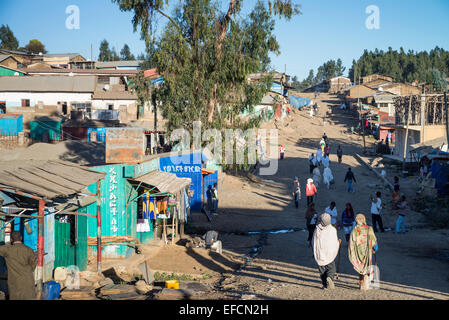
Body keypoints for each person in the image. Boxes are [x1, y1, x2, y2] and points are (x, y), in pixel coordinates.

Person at [0, 231, 37, 300]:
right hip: (28, 280)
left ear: (11, 239)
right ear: (21, 238)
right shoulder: (29, 250)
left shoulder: (7, 249)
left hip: (14, 281)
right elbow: (33, 265)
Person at [348, 214, 378, 290]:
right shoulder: (369, 229)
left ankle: (361, 284)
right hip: (367, 252)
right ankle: (366, 284)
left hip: (357, 253)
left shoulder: (354, 230)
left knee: (360, 268)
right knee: (367, 266)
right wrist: (375, 248)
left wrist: (352, 252)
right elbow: (374, 240)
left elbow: (351, 243)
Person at [312, 213, 340, 290]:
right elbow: (334, 242)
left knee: (321, 270)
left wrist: (314, 251)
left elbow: (313, 241)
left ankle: (325, 285)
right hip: (329, 253)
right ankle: (330, 278)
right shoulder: (332, 230)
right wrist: (338, 244)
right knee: (331, 268)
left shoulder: (317, 229)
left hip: (319, 253)